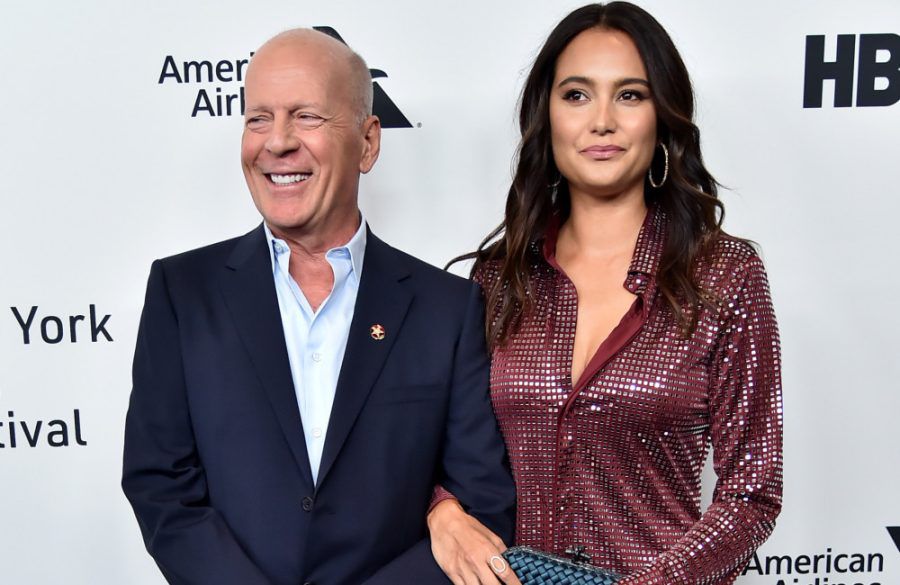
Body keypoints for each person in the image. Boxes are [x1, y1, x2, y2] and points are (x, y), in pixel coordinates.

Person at [122, 28, 515, 585]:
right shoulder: (182, 292)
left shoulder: (446, 309)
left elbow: (481, 503)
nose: (276, 142)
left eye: (306, 116)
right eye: (258, 118)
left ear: (369, 143)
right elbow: (160, 484)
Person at [427, 3, 783, 584]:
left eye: (630, 95)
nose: (601, 121)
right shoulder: (497, 279)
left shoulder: (724, 275)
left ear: (663, 119)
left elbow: (753, 491)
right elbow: (432, 441)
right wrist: (441, 510)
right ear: (547, 117)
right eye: (576, 95)